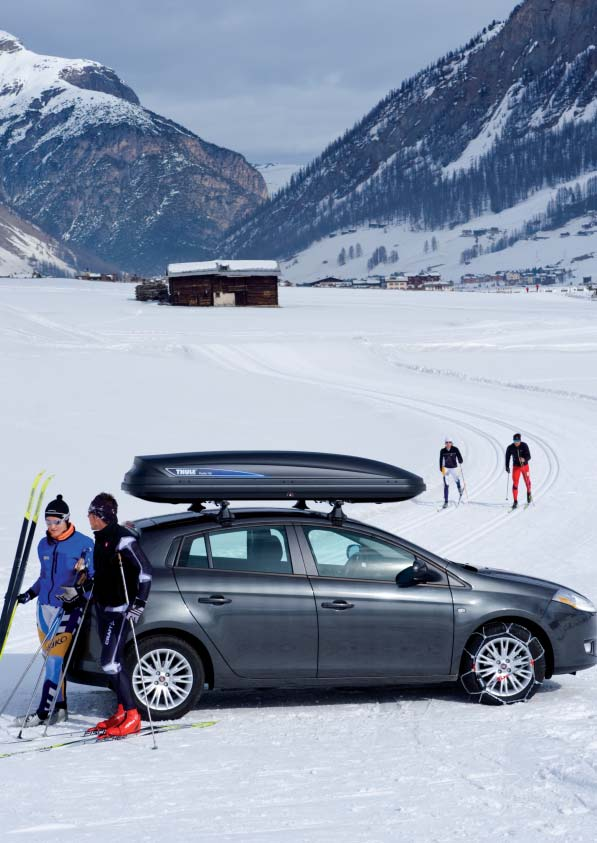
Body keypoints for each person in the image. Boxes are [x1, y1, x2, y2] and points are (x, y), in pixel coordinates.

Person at [15, 495, 94, 727]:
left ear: (67, 520)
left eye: (55, 522)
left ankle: (42, 712)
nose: (51, 527)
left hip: (67, 608)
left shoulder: (84, 543)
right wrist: (30, 594)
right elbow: (44, 578)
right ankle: (59, 709)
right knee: (50, 660)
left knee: (54, 660)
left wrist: (78, 594)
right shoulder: (43, 544)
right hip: (44, 609)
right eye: (48, 522)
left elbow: (92, 579)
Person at [87, 492, 152, 738]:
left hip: (120, 611)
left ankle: (134, 717)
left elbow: (146, 572)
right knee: (116, 663)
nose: (89, 518)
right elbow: (102, 574)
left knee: (109, 663)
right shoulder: (99, 537)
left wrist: (138, 604)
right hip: (103, 608)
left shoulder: (122, 540)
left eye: (92, 514)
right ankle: (122, 710)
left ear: (102, 516)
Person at [505, 433, 532, 509]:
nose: (516, 442)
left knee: (527, 481)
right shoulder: (510, 447)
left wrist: (524, 459)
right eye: (515, 440)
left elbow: (529, 456)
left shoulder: (524, 445)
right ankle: (515, 501)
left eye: (518, 440)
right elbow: (507, 456)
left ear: (520, 440)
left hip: (525, 466)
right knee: (515, 483)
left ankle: (529, 493)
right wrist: (507, 466)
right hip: (516, 467)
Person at [439, 438, 464, 509]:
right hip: (445, 468)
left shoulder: (455, 449)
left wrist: (460, 460)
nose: (448, 444)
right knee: (446, 484)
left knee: (456, 479)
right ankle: (446, 502)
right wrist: (441, 469)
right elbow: (440, 460)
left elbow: (460, 457)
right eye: (446, 442)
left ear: (452, 443)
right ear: (445, 443)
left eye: (449, 442)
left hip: (453, 467)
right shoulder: (442, 450)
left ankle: (459, 488)